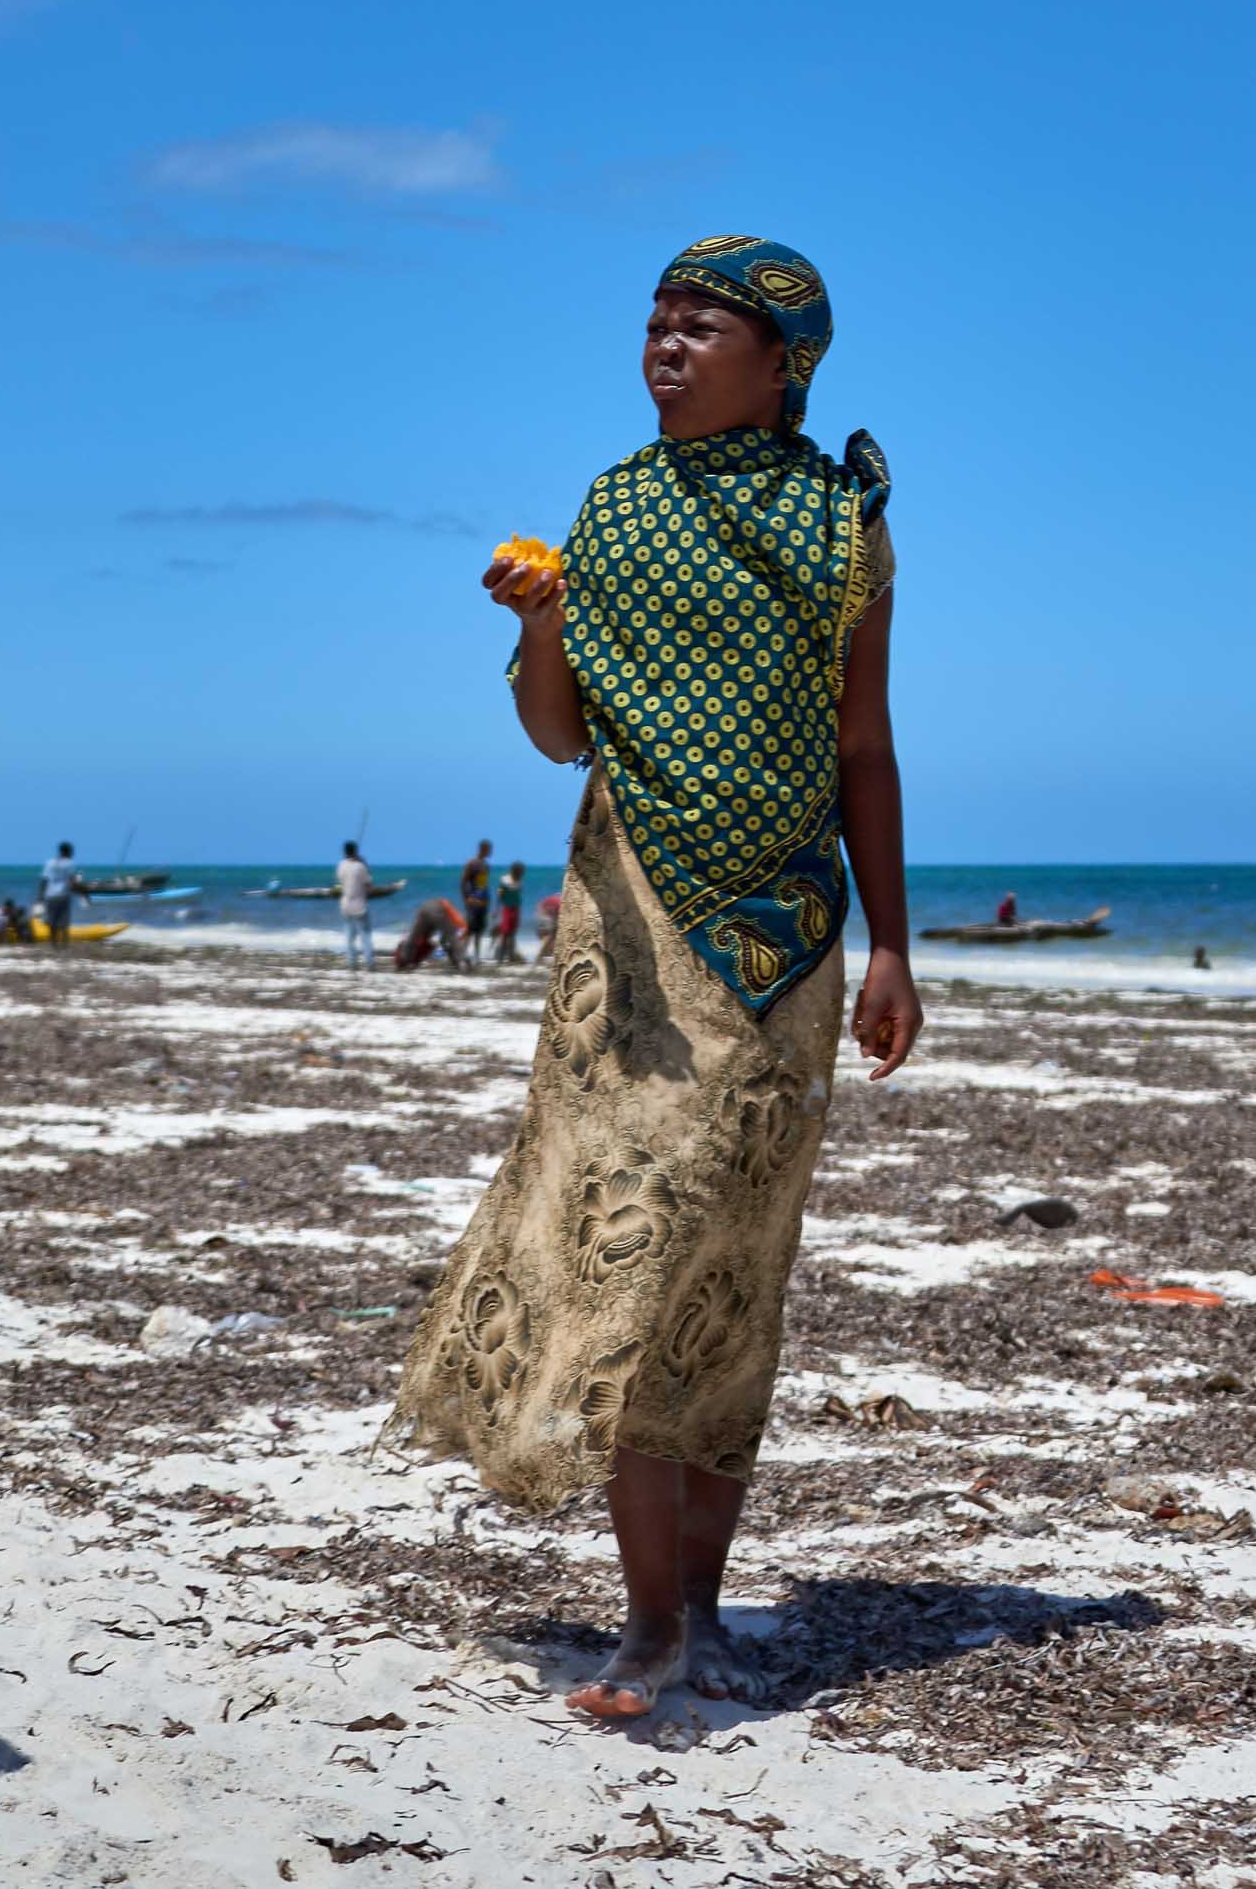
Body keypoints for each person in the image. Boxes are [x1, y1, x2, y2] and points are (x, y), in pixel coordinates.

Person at [386, 234, 922, 1721]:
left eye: (702, 327)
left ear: (783, 362)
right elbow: (563, 734)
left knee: (733, 1269)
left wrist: (892, 940)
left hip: (794, 941)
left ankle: (698, 1601)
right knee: (628, 1247)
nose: (667, 346)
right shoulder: (613, 509)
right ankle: (648, 1625)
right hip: (628, 934)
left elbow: (863, 746)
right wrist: (543, 625)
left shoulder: (842, 525)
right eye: (657, 323)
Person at [394, 897, 468, 973]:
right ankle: (460, 964)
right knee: (451, 938)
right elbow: (453, 937)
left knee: (414, 938)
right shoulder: (457, 920)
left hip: (424, 908)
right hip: (438, 909)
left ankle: (404, 961)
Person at [335, 840, 374, 971]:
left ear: (345, 852)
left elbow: (340, 879)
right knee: (365, 936)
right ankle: (369, 964)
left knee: (349, 937)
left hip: (345, 906)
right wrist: (364, 863)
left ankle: (352, 963)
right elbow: (369, 885)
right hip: (359, 906)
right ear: (356, 851)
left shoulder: (341, 865)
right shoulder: (361, 866)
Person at [37, 843, 78, 946]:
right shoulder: (70, 863)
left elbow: (44, 880)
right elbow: (72, 881)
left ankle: (53, 944)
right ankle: (64, 944)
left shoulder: (49, 863)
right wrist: (81, 890)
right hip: (63, 895)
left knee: (52, 921)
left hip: (50, 895)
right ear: (68, 851)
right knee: (64, 921)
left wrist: (40, 896)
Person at [460, 840, 494, 964]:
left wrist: (487, 900)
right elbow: (463, 881)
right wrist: (467, 898)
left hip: (483, 901)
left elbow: (483, 884)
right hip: (473, 901)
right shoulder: (471, 863)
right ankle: (462, 953)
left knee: (480, 929)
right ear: (483, 849)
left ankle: (477, 956)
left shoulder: (486, 865)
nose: (491, 852)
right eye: (489, 849)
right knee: (470, 928)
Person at [492, 860, 525, 964]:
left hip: (516, 909)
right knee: (505, 933)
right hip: (507, 909)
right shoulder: (504, 881)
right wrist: (496, 909)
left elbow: (518, 896)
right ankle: (500, 958)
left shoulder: (519, 882)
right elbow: (499, 895)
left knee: (513, 933)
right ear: (514, 871)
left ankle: (511, 957)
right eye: (520, 872)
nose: (521, 874)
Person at [533, 891, 563, 963]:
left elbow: (539, 907)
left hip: (541, 916)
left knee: (547, 938)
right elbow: (559, 916)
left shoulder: (550, 899)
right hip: (547, 917)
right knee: (550, 937)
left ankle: (542, 957)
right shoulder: (561, 901)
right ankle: (539, 958)